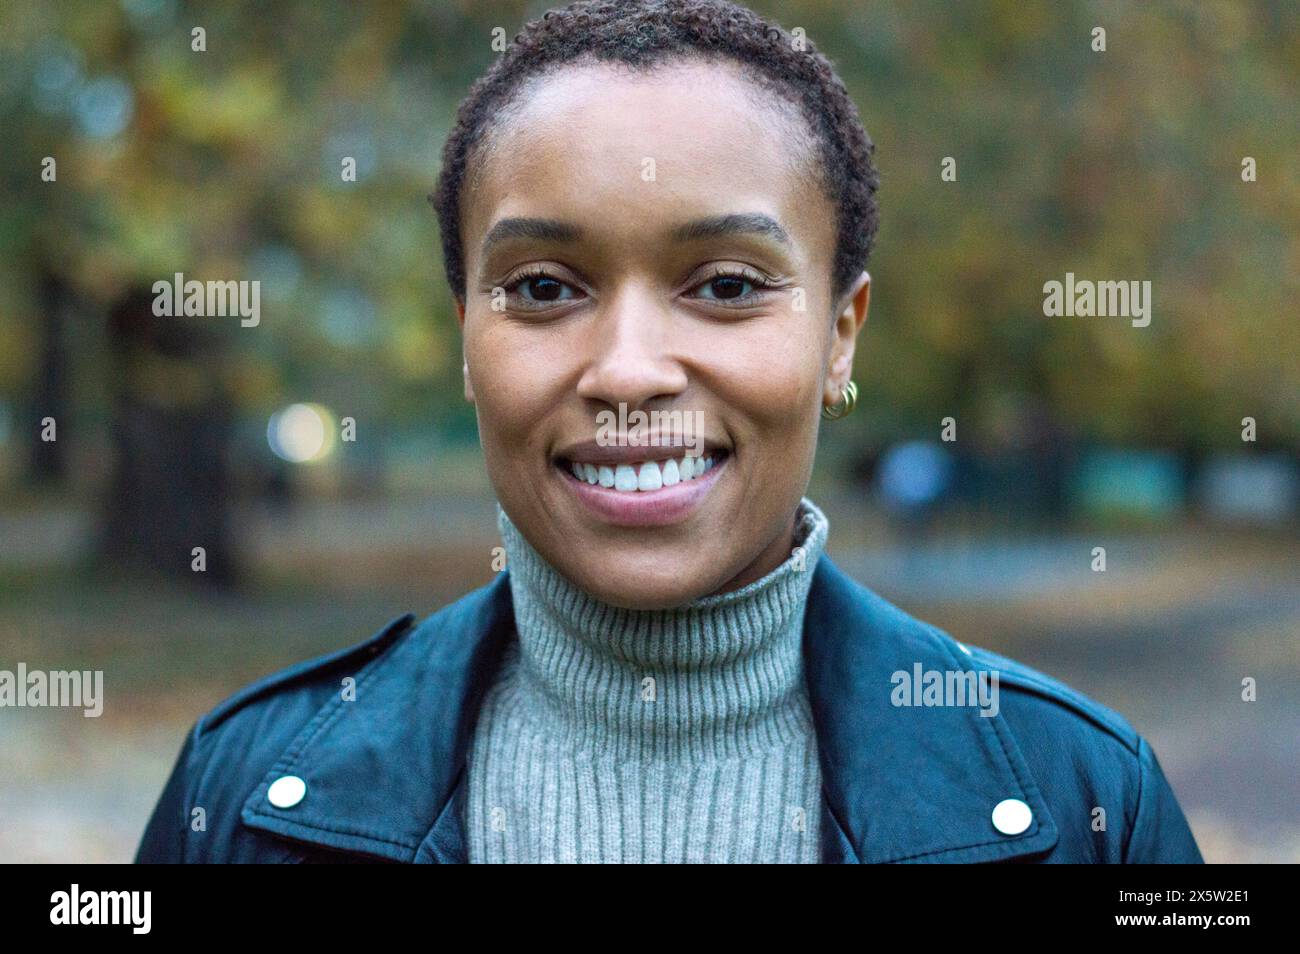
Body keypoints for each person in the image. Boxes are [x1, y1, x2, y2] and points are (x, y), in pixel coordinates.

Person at [136, 0, 1202, 864]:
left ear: (839, 336)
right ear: (466, 340)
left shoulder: (1087, 804)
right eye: (545, 287)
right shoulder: (239, 798)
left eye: (728, 285)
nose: (629, 370)